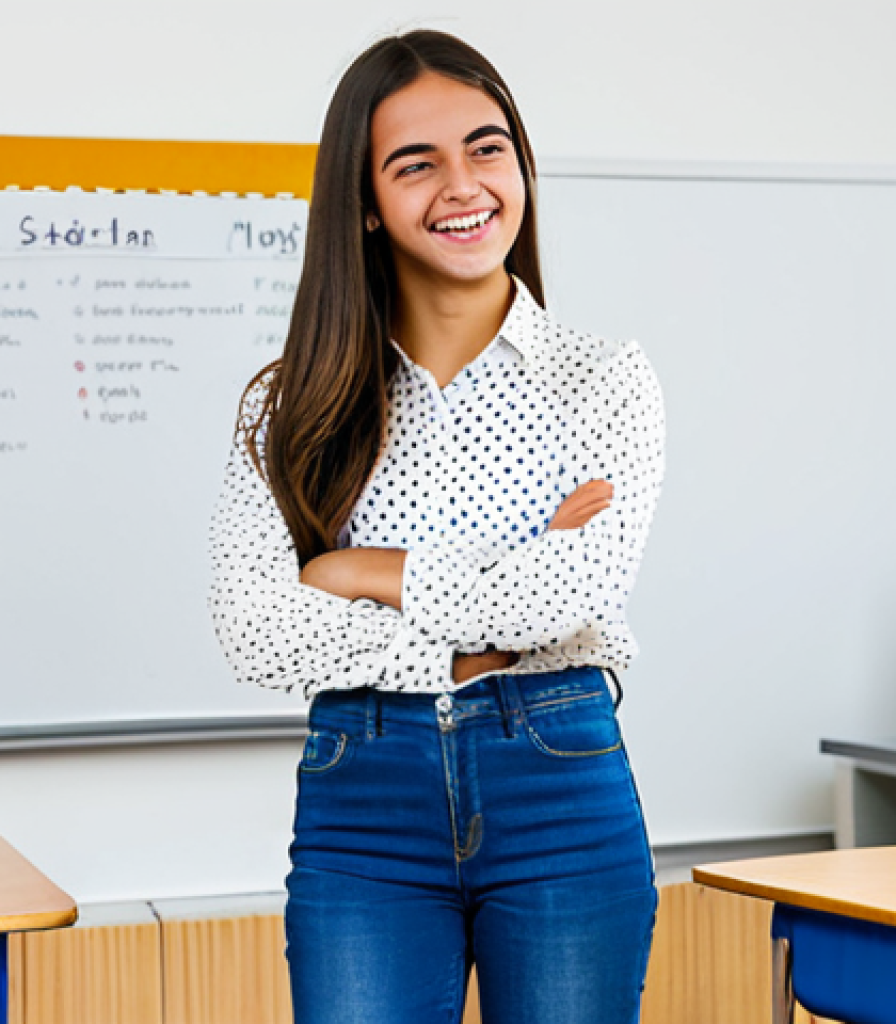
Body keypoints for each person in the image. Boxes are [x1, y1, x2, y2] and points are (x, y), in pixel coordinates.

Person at [210, 28, 665, 1024]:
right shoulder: (290, 406)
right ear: (366, 205)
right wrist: (477, 635)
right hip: (363, 799)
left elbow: (567, 595)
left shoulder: (602, 379)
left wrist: (355, 568)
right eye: (416, 165)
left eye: (486, 147)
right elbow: (252, 625)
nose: (463, 185)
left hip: (559, 786)